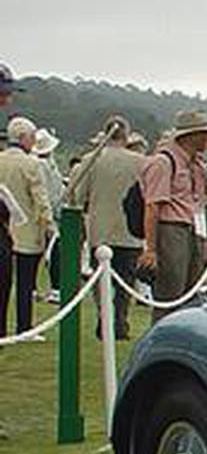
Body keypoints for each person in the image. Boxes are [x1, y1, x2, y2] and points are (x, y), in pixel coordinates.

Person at [138, 109, 207, 320]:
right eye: (203, 133)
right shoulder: (163, 162)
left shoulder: (195, 163)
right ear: (191, 136)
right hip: (171, 230)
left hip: (193, 230)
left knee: (191, 293)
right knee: (170, 294)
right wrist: (150, 249)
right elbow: (152, 206)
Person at [66, 115, 148, 338]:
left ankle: (105, 319)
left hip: (99, 230)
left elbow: (79, 195)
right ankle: (119, 322)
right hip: (130, 231)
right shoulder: (141, 162)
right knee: (126, 282)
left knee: (100, 280)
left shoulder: (91, 160)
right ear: (126, 136)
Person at [0, 117, 53, 335]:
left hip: (4, 228)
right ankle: (24, 326)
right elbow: (40, 199)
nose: (34, 141)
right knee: (25, 283)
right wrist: (49, 224)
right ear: (23, 138)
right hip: (26, 231)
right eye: (31, 137)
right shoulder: (32, 164)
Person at [33, 128, 64, 300]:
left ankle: (36, 288)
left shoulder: (48, 164)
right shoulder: (42, 166)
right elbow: (48, 193)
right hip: (48, 214)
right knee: (53, 251)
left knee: (44, 251)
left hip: (49, 212)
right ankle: (55, 288)